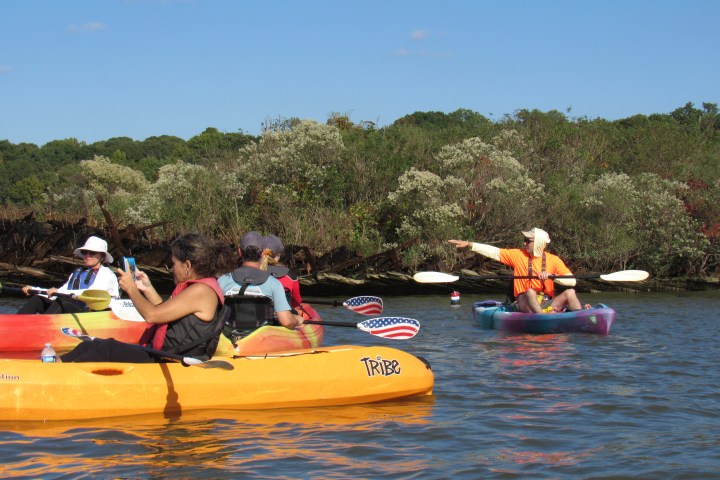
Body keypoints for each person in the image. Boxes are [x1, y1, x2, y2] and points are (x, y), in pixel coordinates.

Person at [61, 233, 235, 363]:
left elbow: (152, 315)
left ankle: (58, 376)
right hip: (165, 353)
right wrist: (148, 289)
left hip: (171, 359)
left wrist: (131, 289)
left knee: (105, 348)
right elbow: (165, 312)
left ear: (187, 265)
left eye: (173, 263)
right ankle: (54, 365)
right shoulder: (200, 288)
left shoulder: (201, 291)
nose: (171, 269)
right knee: (90, 344)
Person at [449, 228, 588, 313]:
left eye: (528, 241)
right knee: (530, 292)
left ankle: (582, 316)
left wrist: (552, 277)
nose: (524, 243)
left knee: (570, 293)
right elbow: (494, 252)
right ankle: (541, 319)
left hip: (547, 303)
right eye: (524, 240)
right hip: (523, 302)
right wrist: (470, 244)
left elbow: (572, 282)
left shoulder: (554, 260)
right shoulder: (517, 255)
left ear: (538, 242)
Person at [218, 231, 304, 335]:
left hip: (229, 338)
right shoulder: (274, 284)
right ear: (263, 253)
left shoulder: (223, 280)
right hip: (262, 340)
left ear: (240, 252)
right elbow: (286, 321)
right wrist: (298, 320)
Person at [18, 235, 120, 314]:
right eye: (85, 252)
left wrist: (57, 292)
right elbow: (61, 291)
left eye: (92, 253)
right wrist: (34, 290)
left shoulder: (107, 274)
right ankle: (13, 326)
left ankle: (41, 330)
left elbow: (90, 292)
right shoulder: (78, 272)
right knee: (37, 300)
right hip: (75, 310)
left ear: (102, 257)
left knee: (63, 302)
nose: (87, 255)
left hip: (93, 315)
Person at [260, 234, 303, 309]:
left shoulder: (253, 273)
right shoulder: (290, 276)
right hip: (284, 317)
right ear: (279, 255)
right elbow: (296, 303)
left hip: (259, 317)